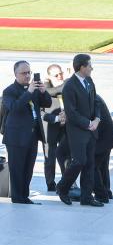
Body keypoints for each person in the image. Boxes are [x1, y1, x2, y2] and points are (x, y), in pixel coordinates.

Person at [2, 61, 52, 204]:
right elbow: (15, 107)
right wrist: (29, 92)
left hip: (33, 135)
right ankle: (18, 197)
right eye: (24, 73)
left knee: (28, 168)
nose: (28, 75)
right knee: (17, 169)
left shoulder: (34, 89)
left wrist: (43, 91)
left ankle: (24, 195)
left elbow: (47, 103)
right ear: (16, 74)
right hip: (16, 137)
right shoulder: (9, 91)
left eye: (29, 72)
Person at [57, 54, 102, 207]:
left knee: (89, 163)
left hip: (91, 129)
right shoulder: (69, 86)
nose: (92, 68)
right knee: (79, 161)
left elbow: (96, 102)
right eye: (89, 65)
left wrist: (97, 119)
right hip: (77, 131)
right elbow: (71, 112)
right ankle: (62, 187)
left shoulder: (89, 81)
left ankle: (86, 197)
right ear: (82, 67)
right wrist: (88, 123)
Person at [42, 64, 67, 192]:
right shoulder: (44, 88)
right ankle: (50, 183)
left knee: (66, 155)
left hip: (64, 127)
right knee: (50, 158)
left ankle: (67, 182)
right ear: (49, 77)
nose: (60, 76)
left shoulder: (66, 86)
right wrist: (56, 118)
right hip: (50, 127)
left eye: (61, 73)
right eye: (56, 75)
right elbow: (41, 112)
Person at [94, 95, 113, 202]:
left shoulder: (91, 98)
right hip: (108, 137)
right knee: (102, 166)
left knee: (93, 166)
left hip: (104, 138)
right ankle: (106, 192)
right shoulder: (94, 96)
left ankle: (102, 195)